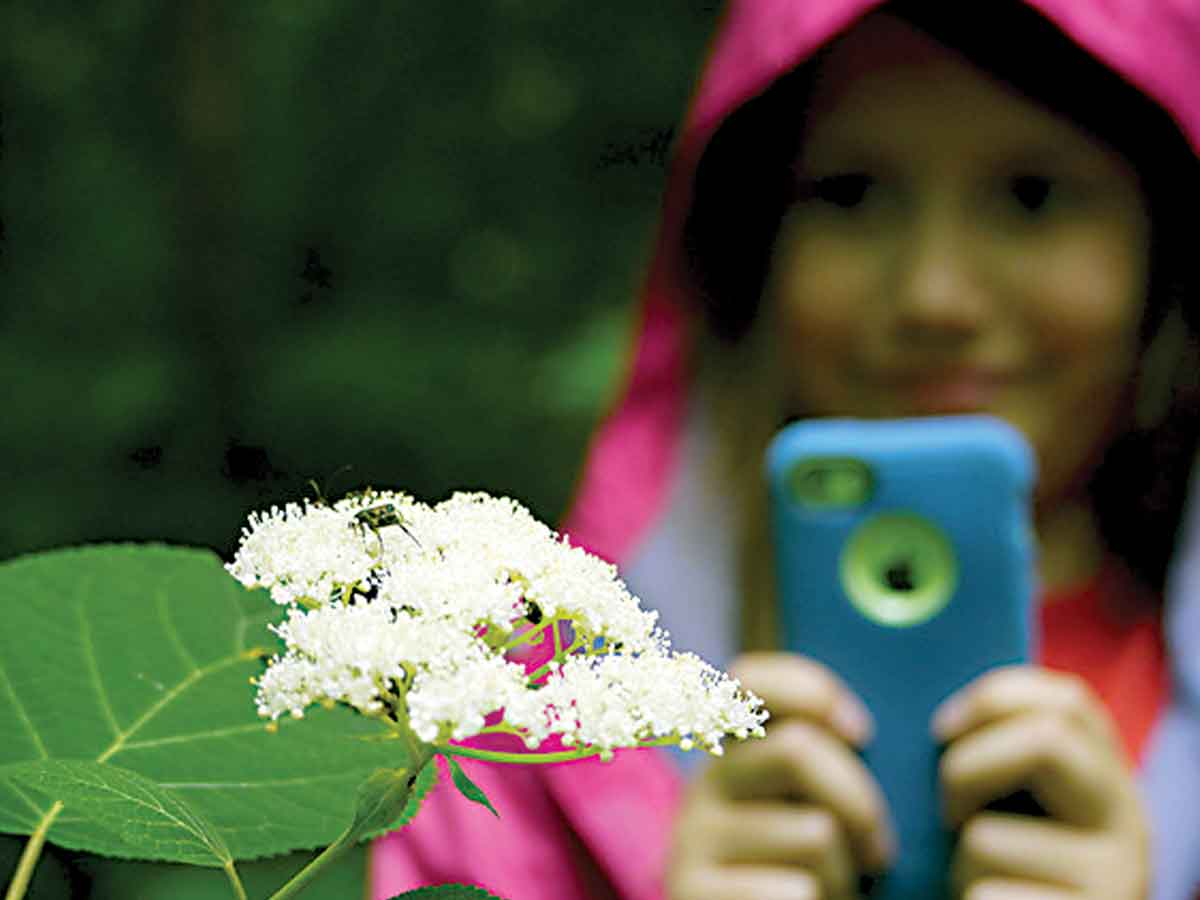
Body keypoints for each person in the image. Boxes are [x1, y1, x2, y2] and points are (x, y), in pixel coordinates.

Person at [371, 1, 1200, 898]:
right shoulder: (515, 723)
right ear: (748, 252)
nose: (935, 295)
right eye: (848, 193)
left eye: (1033, 196)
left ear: (1168, 252)